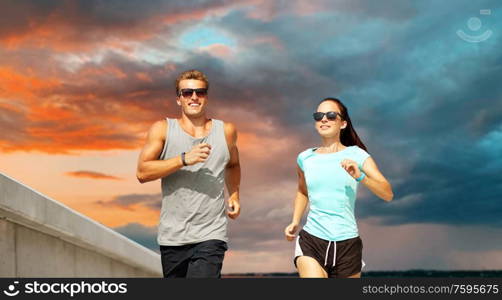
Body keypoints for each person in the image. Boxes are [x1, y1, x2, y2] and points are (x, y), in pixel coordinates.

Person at [136, 69, 241, 278]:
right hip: (172, 237)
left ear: (206, 97)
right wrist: (183, 159)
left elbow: (233, 165)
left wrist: (235, 194)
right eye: (187, 92)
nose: (194, 97)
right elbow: (142, 172)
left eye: (200, 92)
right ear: (178, 99)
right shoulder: (163, 129)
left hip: (211, 234)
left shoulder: (226, 131)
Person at [284, 97, 393, 278]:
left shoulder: (357, 155)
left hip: (347, 246)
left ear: (343, 123)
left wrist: (360, 176)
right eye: (319, 116)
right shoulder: (305, 158)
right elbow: (303, 191)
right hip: (312, 240)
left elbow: (387, 193)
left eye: (331, 115)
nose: (324, 119)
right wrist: (295, 221)